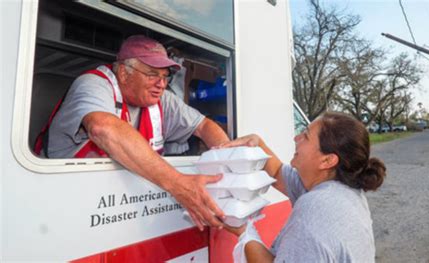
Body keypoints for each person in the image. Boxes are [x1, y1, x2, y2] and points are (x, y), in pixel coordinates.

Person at [37, 35, 230, 230]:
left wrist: (228, 170)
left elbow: (204, 126)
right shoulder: (93, 83)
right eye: (152, 74)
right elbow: (102, 127)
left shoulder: (161, 98)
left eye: (165, 76)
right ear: (123, 72)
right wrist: (179, 184)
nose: (161, 84)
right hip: (61, 205)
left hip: (122, 209)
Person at [220, 112, 387, 262]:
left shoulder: (316, 209)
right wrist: (257, 144)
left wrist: (244, 232)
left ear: (327, 160)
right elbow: (278, 172)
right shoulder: (343, 191)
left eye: (306, 136)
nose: (296, 138)